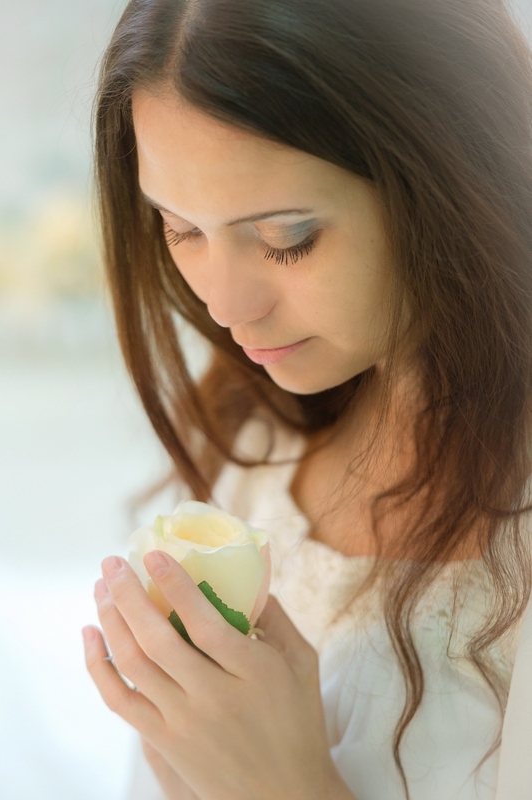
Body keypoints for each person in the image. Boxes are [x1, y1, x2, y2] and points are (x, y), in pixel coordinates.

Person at [80, 1, 532, 798]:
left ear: (456, 177)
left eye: (285, 238)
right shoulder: (258, 436)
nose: (224, 307)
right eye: (180, 229)